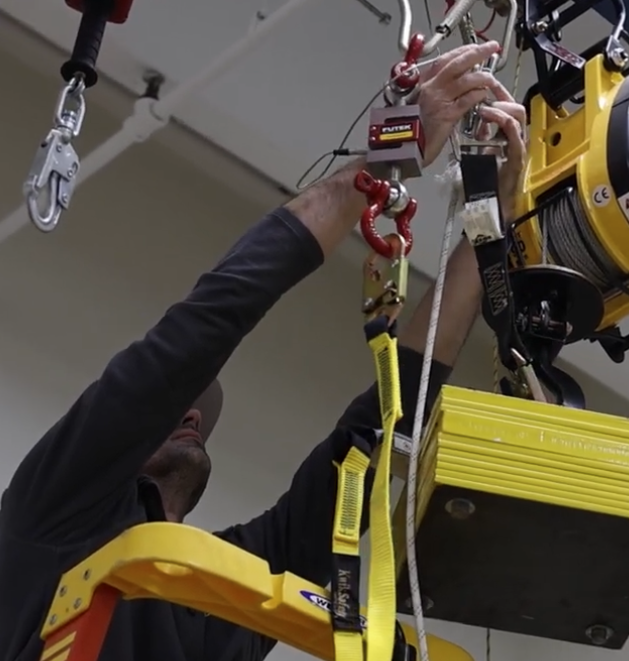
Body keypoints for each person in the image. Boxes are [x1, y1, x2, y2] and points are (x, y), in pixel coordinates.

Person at [0, 41, 526, 661]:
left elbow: (377, 435)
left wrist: (487, 225)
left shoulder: (218, 600)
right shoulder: (52, 512)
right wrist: (390, 152)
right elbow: (206, 325)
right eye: (178, 408)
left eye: (194, 411)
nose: (194, 414)